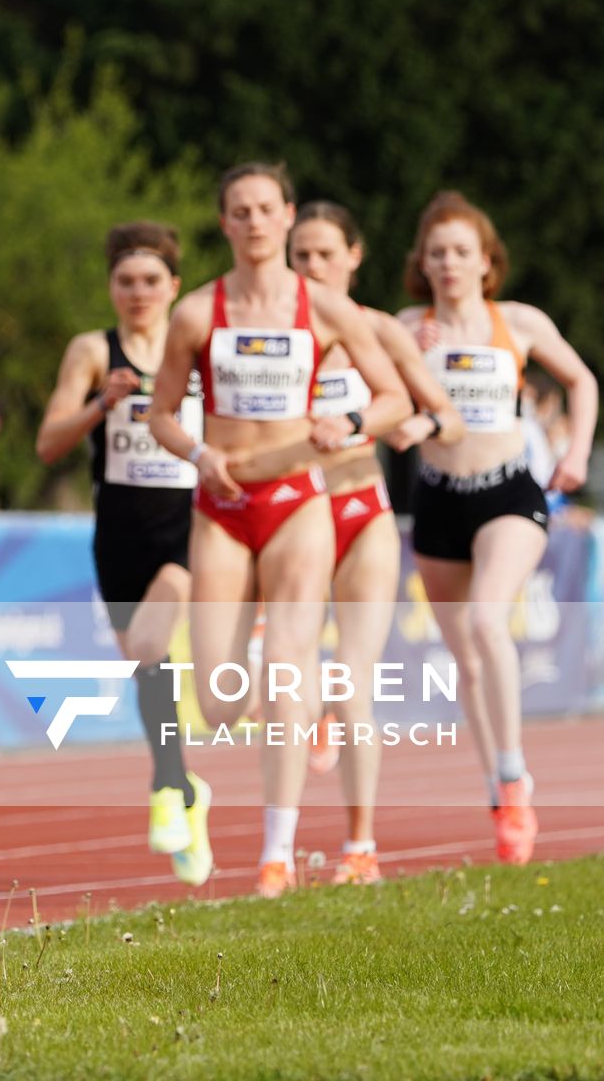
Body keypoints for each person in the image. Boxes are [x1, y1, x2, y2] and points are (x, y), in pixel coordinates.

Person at [147, 162, 407, 899]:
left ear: (287, 215)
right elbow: (161, 412)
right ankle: (262, 661)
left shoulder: (324, 309)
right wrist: (200, 453)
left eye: (266, 208)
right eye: (240, 210)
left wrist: (349, 423)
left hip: (299, 498)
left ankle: (275, 856)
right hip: (223, 509)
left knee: (292, 672)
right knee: (222, 700)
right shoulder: (199, 313)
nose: (255, 221)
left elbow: (392, 396)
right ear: (224, 223)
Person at [240, 201, 465, 885]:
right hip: (287, 515)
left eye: (325, 254)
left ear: (354, 256)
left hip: (360, 511)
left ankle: (360, 847)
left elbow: (444, 416)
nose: (312, 266)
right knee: (286, 677)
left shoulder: (372, 329)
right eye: (301, 254)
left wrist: (400, 427)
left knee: (352, 683)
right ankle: (278, 848)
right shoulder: (263, 329)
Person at [396, 190, 597, 865]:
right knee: (468, 663)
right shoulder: (404, 326)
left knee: (488, 623)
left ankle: (514, 776)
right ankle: (497, 789)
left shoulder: (518, 321)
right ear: (421, 263)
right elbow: (380, 410)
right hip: (439, 498)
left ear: (487, 261)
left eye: (462, 251)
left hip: (508, 491)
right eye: (437, 252)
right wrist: (404, 362)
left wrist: (577, 453)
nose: (449, 264)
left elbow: (582, 380)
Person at [35, 221, 211, 886]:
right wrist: (97, 406)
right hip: (118, 527)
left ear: (174, 286)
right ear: (111, 287)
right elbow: (48, 443)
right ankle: (185, 789)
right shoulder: (92, 349)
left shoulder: (195, 346)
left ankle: (168, 786)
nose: (137, 292)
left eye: (150, 280)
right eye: (125, 281)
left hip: (187, 523)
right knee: (149, 666)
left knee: (149, 645)